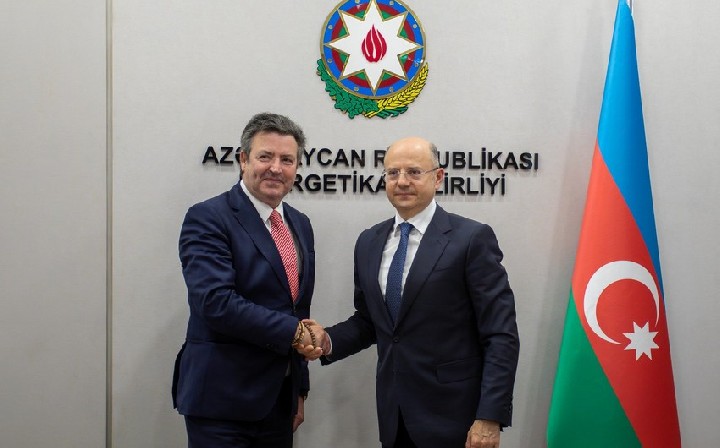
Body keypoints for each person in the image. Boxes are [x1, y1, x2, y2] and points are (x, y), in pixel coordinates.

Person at [299, 137, 520, 448]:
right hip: (394, 415)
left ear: (438, 177)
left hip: (458, 419)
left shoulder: (471, 239)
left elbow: (500, 333)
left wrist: (490, 416)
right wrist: (327, 340)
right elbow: (371, 321)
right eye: (393, 173)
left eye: (414, 172)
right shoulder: (369, 242)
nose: (402, 181)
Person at [172, 112, 322, 448]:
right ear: (243, 160)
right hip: (222, 402)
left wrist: (299, 388)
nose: (275, 168)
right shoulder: (209, 217)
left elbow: (297, 309)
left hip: (279, 402)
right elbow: (215, 302)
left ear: (297, 167)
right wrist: (294, 332)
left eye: (287, 160)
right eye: (265, 156)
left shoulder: (300, 223)